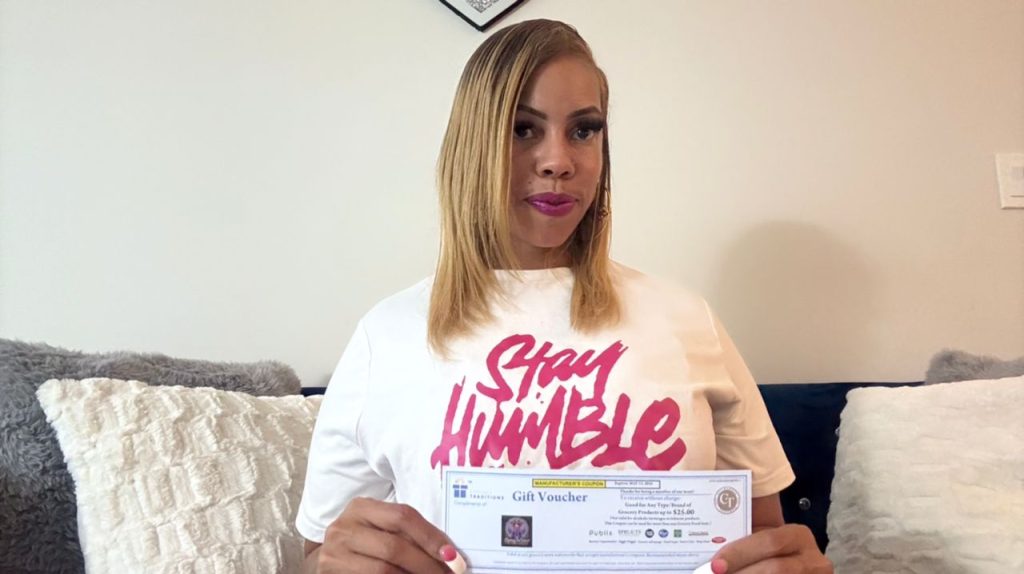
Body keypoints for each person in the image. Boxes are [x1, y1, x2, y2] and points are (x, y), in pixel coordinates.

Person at [297, 19, 833, 574]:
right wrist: (333, 565)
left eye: (583, 130)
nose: (559, 160)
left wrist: (782, 562)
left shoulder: (686, 320)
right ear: (473, 144)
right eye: (523, 129)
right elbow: (318, 553)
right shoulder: (388, 335)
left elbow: (760, 532)